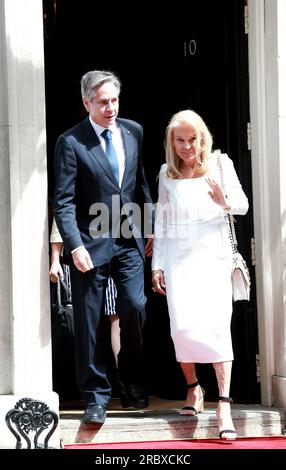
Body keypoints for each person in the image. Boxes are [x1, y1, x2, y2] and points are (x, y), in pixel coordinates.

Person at [53, 70, 153, 425]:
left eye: (114, 100)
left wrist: (150, 227)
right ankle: (96, 395)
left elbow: (139, 184)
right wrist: (74, 245)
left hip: (128, 238)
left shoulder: (133, 131)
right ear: (86, 103)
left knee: (135, 306)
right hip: (90, 243)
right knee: (90, 320)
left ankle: (130, 380)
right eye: (102, 102)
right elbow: (63, 201)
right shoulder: (71, 142)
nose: (110, 108)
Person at [151, 110, 249, 440]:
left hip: (213, 255)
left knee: (217, 327)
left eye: (193, 139)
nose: (187, 146)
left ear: (203, 138)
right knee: (182, 327)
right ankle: (194, 388)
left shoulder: (221, 165)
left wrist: (225, 201)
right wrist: (157, 265)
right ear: (171, 142)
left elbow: (243, 205)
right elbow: (161, 223)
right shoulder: (167, 173)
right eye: (180, 140)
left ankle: (223, 403)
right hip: (179, 257)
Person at [49, 220, 121, 367]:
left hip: (113, 250)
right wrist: (55, 259)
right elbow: (61, 219)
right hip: (80, 254)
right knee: (87, 317)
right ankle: (90, 378)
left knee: (115, 313)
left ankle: (124, 378)